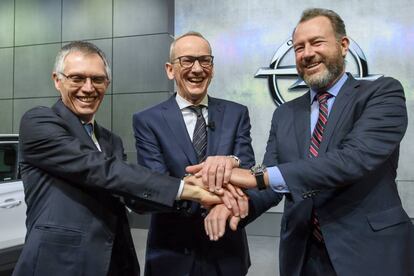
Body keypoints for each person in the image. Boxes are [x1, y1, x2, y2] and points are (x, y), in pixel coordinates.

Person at [191, 8, 414, 276]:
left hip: (370, 251)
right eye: (299, 47)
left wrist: (253, 177)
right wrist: (232, 206)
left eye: (317, 42)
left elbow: (351, 160)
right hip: (302, 255)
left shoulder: (382, 93)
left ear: (343, 45)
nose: (307, 53)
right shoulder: (284, 113)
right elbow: (275, 186)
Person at [13, 41, 221, 276]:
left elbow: (131, 194)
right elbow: (99, 169)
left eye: (98, 79)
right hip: (59, 265)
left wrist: (200, 191)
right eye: (77, 78)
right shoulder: (39, 122)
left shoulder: (111, 141)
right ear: (57, 80)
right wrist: (185, 188)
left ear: (107, 84)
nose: (89, 88)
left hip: (114, 263)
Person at [133, 31, 255, 276]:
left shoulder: (236, 113)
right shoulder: (147, 120)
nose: (197, 69)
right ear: (170, 69)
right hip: (171, 253)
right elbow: (157, 182)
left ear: (212, 67)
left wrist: (232, 165)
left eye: (205, 60)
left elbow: (248, 168)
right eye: (187, 60)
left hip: (227, 252)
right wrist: (215, 192)